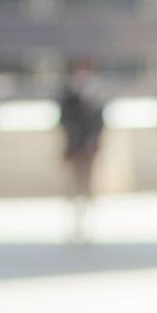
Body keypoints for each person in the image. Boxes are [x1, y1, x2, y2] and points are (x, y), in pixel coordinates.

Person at [56, 57, 106, 244]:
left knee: (88, 186)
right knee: (72, 186)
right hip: (74, 148)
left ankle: (87, 224)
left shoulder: (96, 95)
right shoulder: (69, 95)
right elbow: (64, 120)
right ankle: (74, 224)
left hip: (89, 149)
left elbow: (100, 123)